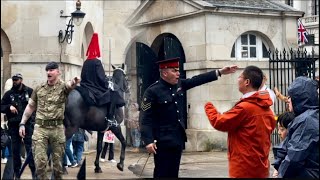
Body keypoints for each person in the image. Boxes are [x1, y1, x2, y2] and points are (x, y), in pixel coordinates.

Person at [139, 57, 237, 178]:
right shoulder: (152, 91)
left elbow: (196, 80)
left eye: (178, 70)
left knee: (173, 173)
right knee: (161, 173)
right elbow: (145, 118)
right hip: (162, 141)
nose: (178, 73)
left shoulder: (179, 84)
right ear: (164, 72)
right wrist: (148, 141)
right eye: (174, 70)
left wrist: (220, 72)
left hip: (177, 139)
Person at [204, 65, 276, 178]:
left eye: (239, 77)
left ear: (247, 82)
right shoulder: (265, 106)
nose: (238, 80)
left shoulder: (245, 107)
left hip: (243, 167)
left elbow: (219, 122)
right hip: (261, 167)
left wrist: (209, 106)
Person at [18, 62, 80, 179]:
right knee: (40, 163)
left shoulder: (63, 87)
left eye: (51, 70)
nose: (48, 72)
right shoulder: (39, 88)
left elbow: (69, 86)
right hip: (40, 129)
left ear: (58, 72)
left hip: (57, 129)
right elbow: (30, 106)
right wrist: (22, 123)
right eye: (47, 70)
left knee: (58, 167)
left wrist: (74, 82)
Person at [273, 76, 319, 178]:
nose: (288, 99)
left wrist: (281, 173)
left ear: (300, 99)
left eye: (291, 96)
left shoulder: (307, 121)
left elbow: (294, 158)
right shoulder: (305, 117)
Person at [1, 73, 36, 179]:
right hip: (14, 127)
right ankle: (16, 175)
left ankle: (35, 173)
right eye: (14, 80)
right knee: (15, 152)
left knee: (31, 150)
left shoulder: (29, 91)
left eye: (17, 79)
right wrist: (9, 107)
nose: (15, 81)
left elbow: (38, 105)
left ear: (21, 80)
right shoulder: (8, 94)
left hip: (28, 126)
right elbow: (1, 106)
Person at [272, 111, 295, 178]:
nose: (279, 132)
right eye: (278, 129)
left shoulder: (294, 151)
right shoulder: (282, 148)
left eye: (282, 129)